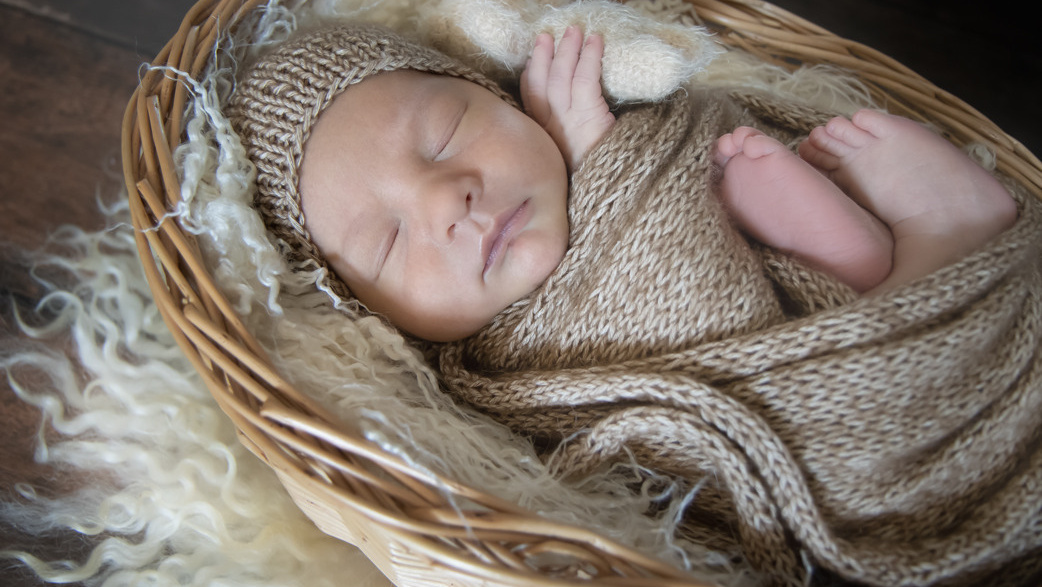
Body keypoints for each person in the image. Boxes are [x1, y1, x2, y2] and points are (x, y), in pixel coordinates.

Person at [258, 24, 1015, 342]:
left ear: (499, 93)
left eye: (446, 133)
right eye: (387, 242)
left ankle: (903, 255)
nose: (441, 198)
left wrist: (605, 154)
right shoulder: (490, 365)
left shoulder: (643, 124)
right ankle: (939, 243)